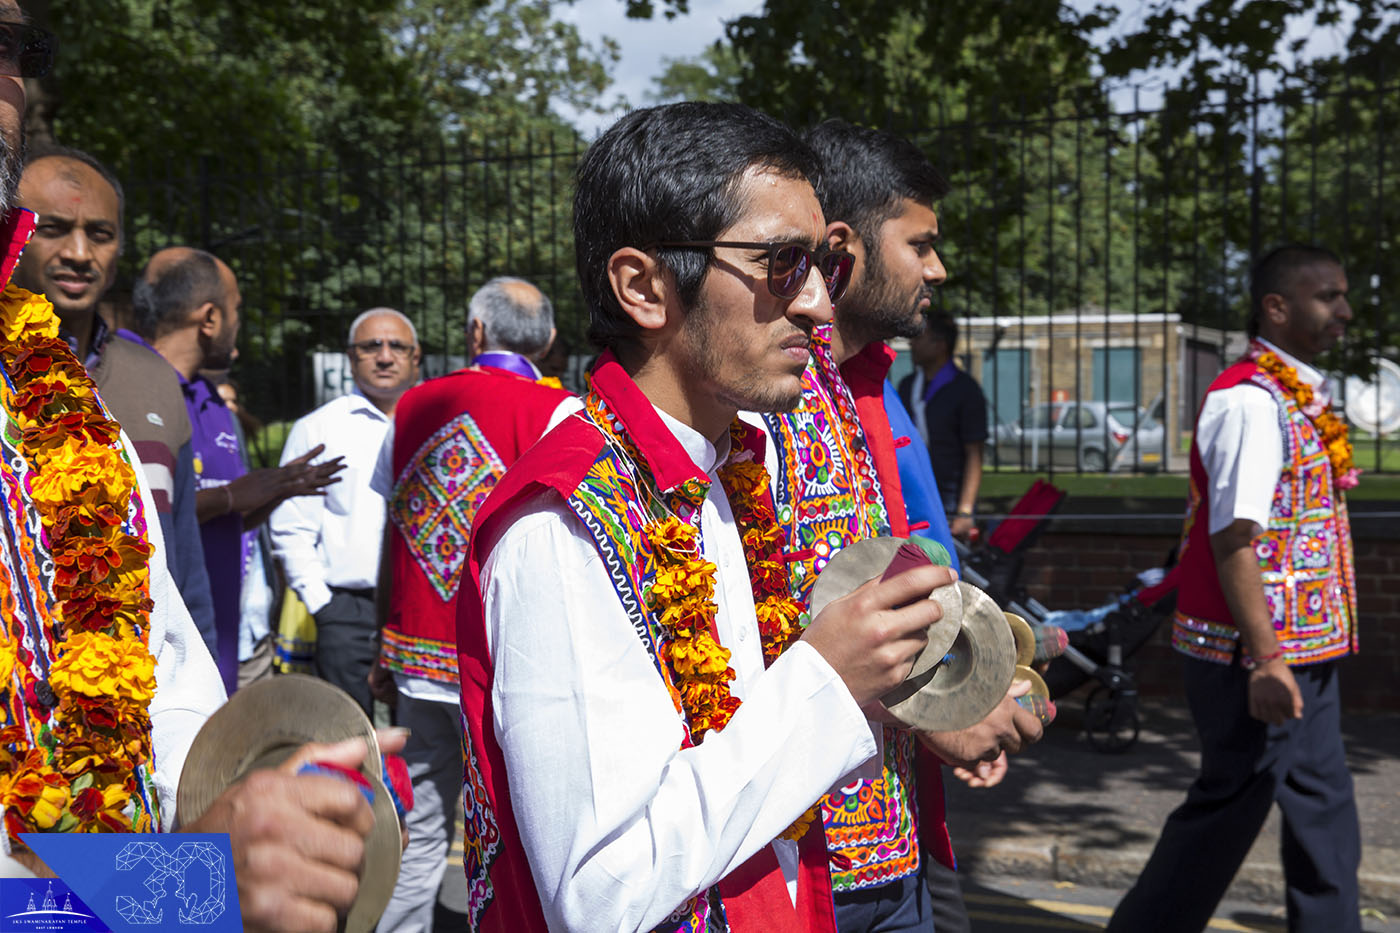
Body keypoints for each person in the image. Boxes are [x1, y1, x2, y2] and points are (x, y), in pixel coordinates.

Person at [455, 101, 958, 932]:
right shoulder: (566, 524)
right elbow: (599, 892)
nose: (819, 307)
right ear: (645, 287)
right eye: (779, 263)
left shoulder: (717, 473)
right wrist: (825, 682)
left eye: (823, 267)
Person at [0, 10, 400, 930]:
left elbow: (165, 671)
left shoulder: (66, 397)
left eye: (12, 45)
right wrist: (186, 888)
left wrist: (251, 807)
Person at [776, 118, 1042, 933]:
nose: (938, 268)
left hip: (887, 833)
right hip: (810, 851)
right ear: (846, 247)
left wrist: (976, 684)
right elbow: (789, 617)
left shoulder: (858, 385)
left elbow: (888, 579)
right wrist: (947, 714)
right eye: (919, 244)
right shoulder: (772, 395)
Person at [1108, 244, 1361, 933]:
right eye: (1327, 297)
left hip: (1306, 648)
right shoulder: (1251, 402)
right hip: (1252, 655)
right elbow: (1232, 540)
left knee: (1324, 807)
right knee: (1227, 810)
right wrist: (1270, 658)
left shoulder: (1296, 394)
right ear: (1276, 308)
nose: (1345, 310)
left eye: (1342, 295)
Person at [369, 277, 570, 932]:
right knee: (527, 829)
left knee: (424, 824)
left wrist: (383, 635)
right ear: (546, 339)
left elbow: (392, 530)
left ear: (476, 332)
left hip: (419, 659)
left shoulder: (410, 407)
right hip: (509, 663)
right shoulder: (559, 413)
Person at [12, 145, 218, 659]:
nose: (80, 253)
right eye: (53, 228)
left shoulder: (154, 378)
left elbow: (186, 573)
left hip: (145, 698)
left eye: (100, 234)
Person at [134, 247, 345, 694]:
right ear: (210, 318)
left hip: (229, 641)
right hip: (158, 656)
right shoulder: (125, 387)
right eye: (237, 311)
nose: (238, 324)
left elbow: (224, 523)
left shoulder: (212, 401)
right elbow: (141, 519)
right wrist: (231, 496)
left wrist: (276, 491)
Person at [269, 307, 421, 717]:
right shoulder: (319, 428)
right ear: (351, 357)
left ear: (416, 357)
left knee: (423, 746)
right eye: (372, 346)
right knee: (349, 741)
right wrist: (323, 605)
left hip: (420, 608)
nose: (385, 356)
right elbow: (290, 527)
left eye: (397, 346)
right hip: (345, 611)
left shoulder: (437, 421)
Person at [897, 312, 987, 538]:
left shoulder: (965, 390)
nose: (912, 343)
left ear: (940, 344)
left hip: (950, 500)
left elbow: (974, 454)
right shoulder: (908, 386)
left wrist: (964, 511)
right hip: (913, 494)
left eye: (919, 337)